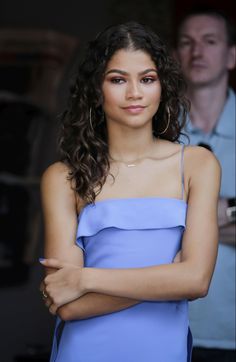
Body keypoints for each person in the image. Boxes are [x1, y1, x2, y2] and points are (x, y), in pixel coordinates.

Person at [39, 21, 220, 362]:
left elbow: (196, 281)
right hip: (83, 352)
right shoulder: (63, 177)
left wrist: (86, 278)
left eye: (147, 79)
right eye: (118, 79)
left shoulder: (197, 164)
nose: (135, 92)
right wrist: (169, 277)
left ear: (162, 86)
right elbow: (68, 306)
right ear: (96, 89)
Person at [176, 7, 236, 362]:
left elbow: (168, 220)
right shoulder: (152, 130)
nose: (197, 51)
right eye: (187, 42)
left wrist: (187, 215)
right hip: (161, 327)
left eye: (209, 41)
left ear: (231, 55)